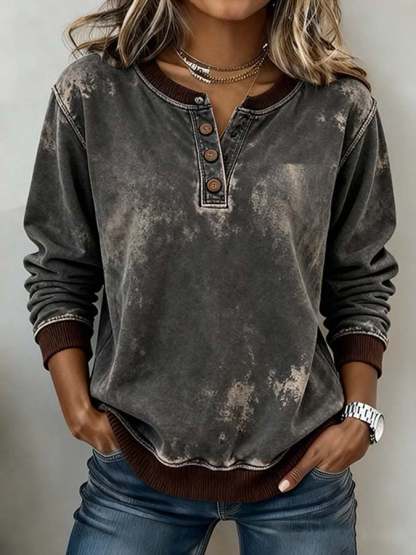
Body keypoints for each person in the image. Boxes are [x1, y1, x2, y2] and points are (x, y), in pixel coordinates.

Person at [22, 0, 399, 553]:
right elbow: (60, 265)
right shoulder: (93, 94)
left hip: (303, 469)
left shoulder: (340, 106)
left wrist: (359, 419)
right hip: (135, 465)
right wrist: (77, 408)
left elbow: (360, 278)